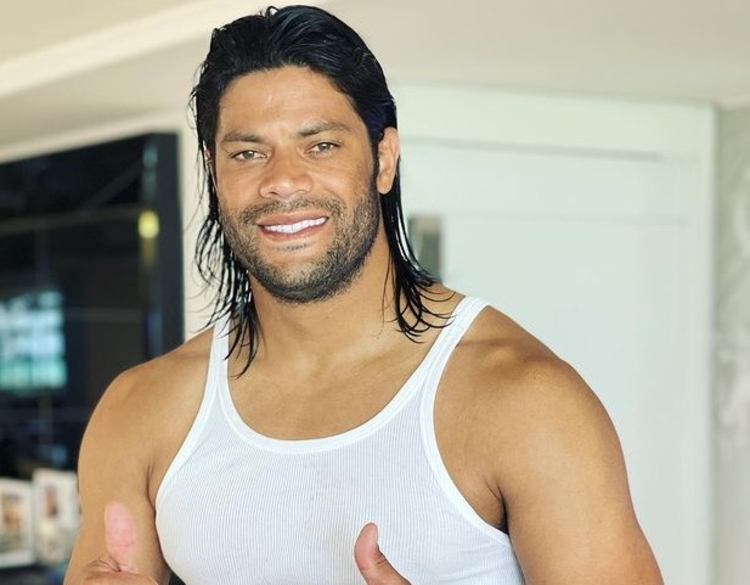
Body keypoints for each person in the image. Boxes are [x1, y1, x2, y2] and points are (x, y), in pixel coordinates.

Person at [63, 5, 664, 585]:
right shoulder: (142, 410)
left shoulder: (525, 401)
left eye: (320, 145)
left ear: (383, 159)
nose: (282, 180)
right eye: (247, 153)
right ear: (214, 174)